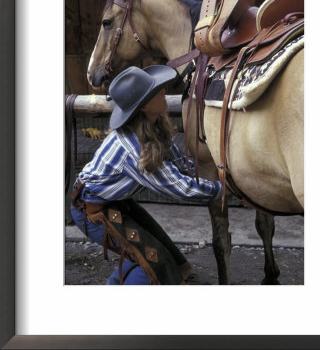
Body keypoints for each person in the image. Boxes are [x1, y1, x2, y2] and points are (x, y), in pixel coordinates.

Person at [70, 65, 222, 285]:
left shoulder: (156, 125)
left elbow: (180, 164)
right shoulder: (133, 148)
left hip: (115, 202)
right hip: (90, 210)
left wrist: (218, 172)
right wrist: (223, 189)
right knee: (152, 259)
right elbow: (180, 188)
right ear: (143, 106)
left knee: (155, 246)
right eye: (156, 91)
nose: (163, 91)